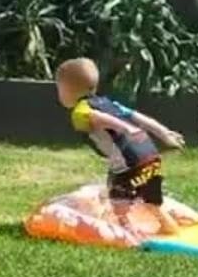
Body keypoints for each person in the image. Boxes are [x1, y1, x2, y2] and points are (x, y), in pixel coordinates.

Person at [54, 57, 187, 236]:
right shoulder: (109, 103)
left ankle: (127, 231)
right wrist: (164, 133)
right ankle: (168, 227)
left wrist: (121, 126)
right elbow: (137, 116)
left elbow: (96, 117)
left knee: (118, 199)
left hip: (129, 163)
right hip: (150, 155)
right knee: (150, 199)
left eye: (59, 88)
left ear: (67, 89)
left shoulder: (80, 111)